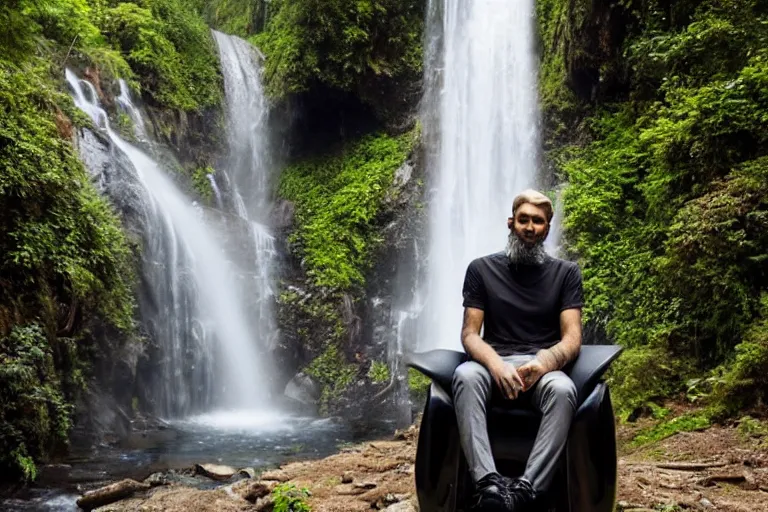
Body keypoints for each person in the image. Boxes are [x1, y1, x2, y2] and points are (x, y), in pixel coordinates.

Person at [453, 189, 584, 511]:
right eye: (523, 219)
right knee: (465, 376)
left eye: (537, 222)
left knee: (564, 389)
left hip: (541, 369)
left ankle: (526, 491)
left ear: (547, 227)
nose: (529, 227)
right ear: (511, 223)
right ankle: (489, 485)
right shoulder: (481, 269)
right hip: (492, 363)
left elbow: (572, 338)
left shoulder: (566, 273)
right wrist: (496, 365)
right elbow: (470, 334)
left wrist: (543, 364)